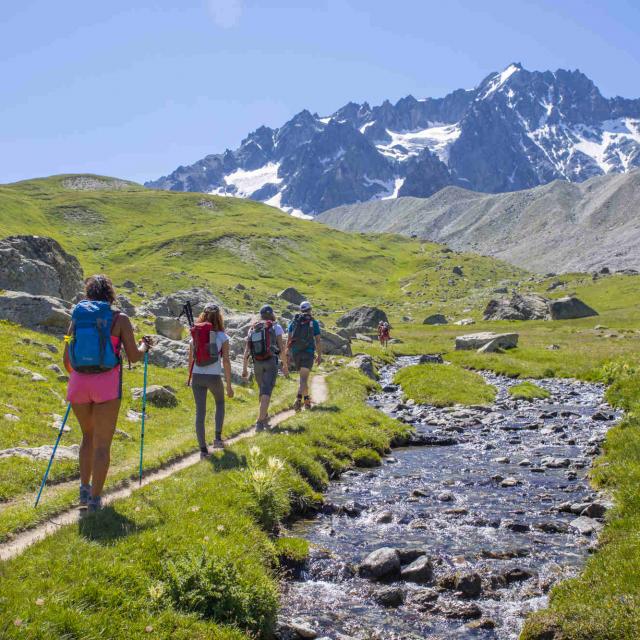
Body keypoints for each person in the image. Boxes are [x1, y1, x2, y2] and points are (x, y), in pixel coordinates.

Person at [63, 275, 151, 512]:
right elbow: (133, 356)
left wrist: (82, 372)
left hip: (78, 385)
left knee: (87, 437)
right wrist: (145, 346)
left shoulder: (77, 318)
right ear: (110, 294)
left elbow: (66, 360)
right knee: (103, 445)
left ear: (88, 293)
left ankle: (83, 489)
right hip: (107, 387)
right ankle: (94, 500)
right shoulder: (119, 318)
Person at [188, 303, 234, 458]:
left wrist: (190, 378)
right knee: (220, 403)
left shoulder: (194, 335)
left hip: (197, 376)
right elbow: (226, 361)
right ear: (219, 318)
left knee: (200, 412)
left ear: (203, 316)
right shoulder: (222, 337)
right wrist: (228, 385)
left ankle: (203, 450)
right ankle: (217, 439)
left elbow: (190, 360)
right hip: (214, 377)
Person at [242, 305, 289, 430]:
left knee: (262, 390)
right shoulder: (276, 327)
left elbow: (247, 350)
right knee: (266, 391)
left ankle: (264, 416)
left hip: (256, 362)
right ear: (272, 314)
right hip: (270, 362)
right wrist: (285, 365)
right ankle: (259, 421)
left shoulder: (253, 327)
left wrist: (244, 368)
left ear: (260, 315)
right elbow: (281, 348)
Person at [284, 300, 322, 411]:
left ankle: (306, 401)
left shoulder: (294, 321)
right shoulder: (313, 322)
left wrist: (287, 353)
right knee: (304, 379)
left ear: (301, 310)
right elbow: (318, 341)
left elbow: (289, 338)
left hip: (296, 353)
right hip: (308, 352)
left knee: (303, 378)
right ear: (310, 310)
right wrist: (319, 355)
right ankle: (298, 400)